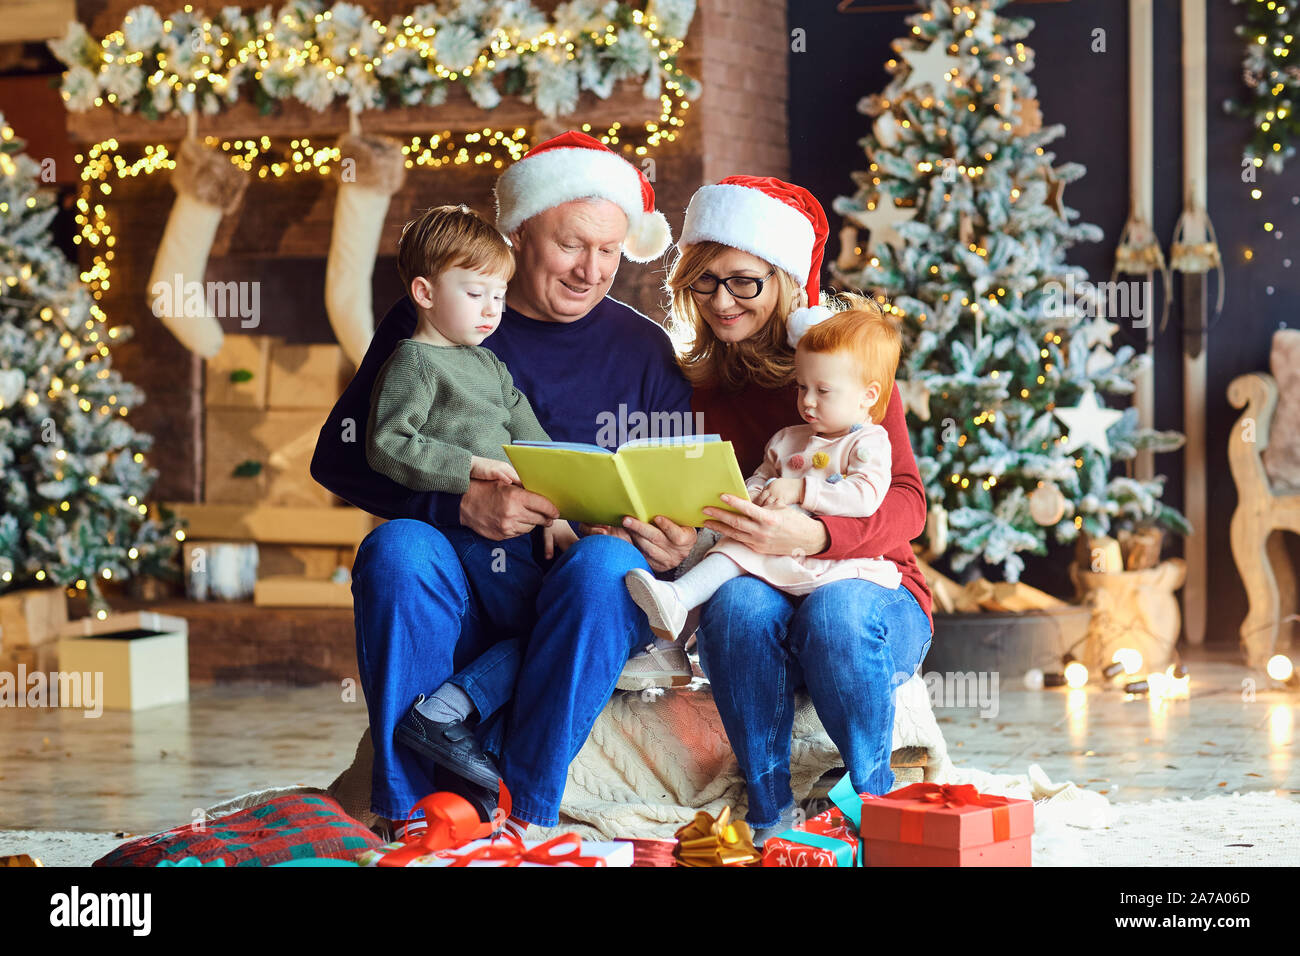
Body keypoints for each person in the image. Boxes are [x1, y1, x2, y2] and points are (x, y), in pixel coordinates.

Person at [310, 131, 700, 831]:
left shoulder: (643, 349)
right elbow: (341, 458)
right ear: (519, 233)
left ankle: (527, 815)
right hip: (462, 580)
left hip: (581, 595)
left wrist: (676, 541)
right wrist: (459, 502)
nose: (592, 270)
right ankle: (412, 816)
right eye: (571, 245)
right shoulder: (434, 323)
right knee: (397, 549)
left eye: (610, 250)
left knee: (609, 564)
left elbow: (679, 496)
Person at [662, 175, 935, 843]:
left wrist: (813, 531)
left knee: (836, 615)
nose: (722, 301)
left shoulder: (842, 368)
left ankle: (873, 807)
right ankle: (769, 809)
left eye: (743, 281)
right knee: (733, 606)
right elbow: (697, 503)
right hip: (758, 581)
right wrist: (675, 539)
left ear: (783, 278)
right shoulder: (693, 384)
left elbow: (906, 504)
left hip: (870, 592)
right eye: (705, 282)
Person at [363, 203, 577, 798]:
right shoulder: (414, 361)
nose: (492, 310)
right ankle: (441, 730)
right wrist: (470, 468)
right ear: (425, 292)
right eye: (476, 292)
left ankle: (448, 710)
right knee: (545, 628)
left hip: (520, 537)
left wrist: (558, 514)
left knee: (558, 626)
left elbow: (535, 442)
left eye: (500, 296)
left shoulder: (489, 364)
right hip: (464, 540)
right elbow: (387, 444)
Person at [625, 300, 903, 637]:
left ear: (868, 396)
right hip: (776, 547)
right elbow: (762, 474)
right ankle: (675, 602)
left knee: (743, 551)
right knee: (730, 544)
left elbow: (866, 496)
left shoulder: (867, 442)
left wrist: (801, 490)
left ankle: (678, 611)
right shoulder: (788, 438)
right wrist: (753, 495)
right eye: (802, 387)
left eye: (823, 391)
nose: (807, 401)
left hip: (834, 563)